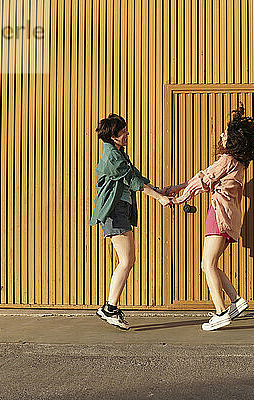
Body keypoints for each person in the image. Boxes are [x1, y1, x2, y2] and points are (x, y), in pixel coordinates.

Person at [165, 104, 254, 331]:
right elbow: (205, 178)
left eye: (225, 134)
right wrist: (180, 187)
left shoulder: (227, 160)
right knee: (210, 263)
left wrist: (180, 198)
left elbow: (204, 180)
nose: (221, 135)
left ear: (233, 140)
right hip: (230, 217)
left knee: (207, 264)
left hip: (218, 215)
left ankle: (220, 313)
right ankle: (236, 301)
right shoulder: (238, 164)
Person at [90, 114, 172, 330]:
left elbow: (135, 175)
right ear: (113, 136)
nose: (127, 134)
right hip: (114, 211)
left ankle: (110, 307)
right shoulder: (112, 157)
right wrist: (159, 198)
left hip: (121, 210)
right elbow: (132, 180)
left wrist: (157, 190)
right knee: (126, 260)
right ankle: (109, 308)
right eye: (123, 131)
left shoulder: (119, 153)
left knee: (128, 259)